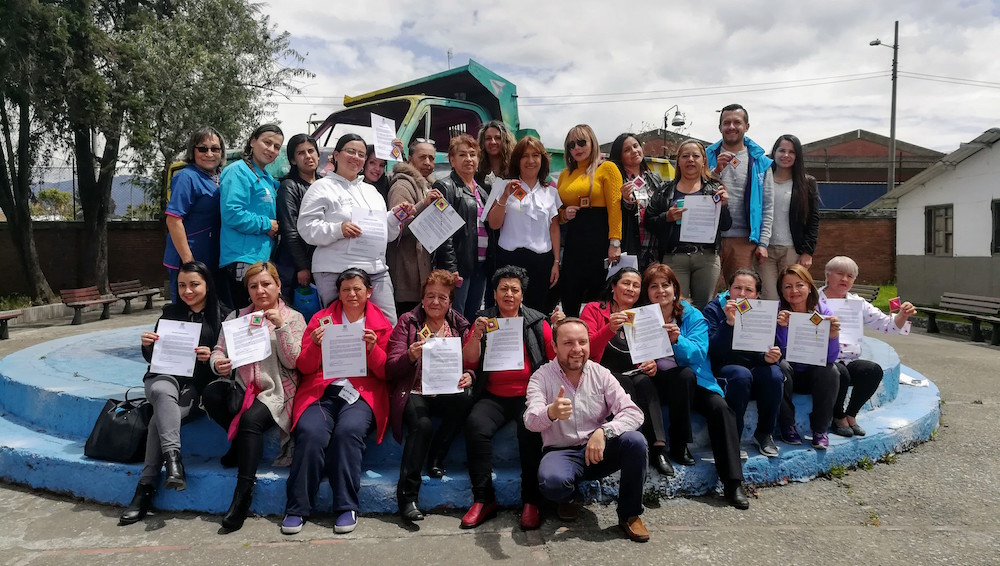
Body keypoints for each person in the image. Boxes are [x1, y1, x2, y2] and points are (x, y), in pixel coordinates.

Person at [281, 268, 393, 536]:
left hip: (362, 393)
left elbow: (386, 372)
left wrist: (373, 349)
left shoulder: (381, 323)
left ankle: (345, 506)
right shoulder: (321, 320)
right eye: (346, 290)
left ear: (369, 292)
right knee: (310, 432)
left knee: (348, 432)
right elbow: (305, 367)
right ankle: (297, 507)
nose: (352, 294)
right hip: (322, 392)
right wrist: (316, 346)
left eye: (357, 289)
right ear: (338, 293)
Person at [119, 261, 229, 526]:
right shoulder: (169, 314)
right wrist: (147, 346)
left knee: (160, 418)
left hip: (193, 389)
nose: (187, 291)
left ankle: (145, 488)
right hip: (165, 377)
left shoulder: (223, 317)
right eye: (181, 285)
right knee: (160, 388)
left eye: (194, 284)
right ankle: (174, 461)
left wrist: (211, 358)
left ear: (207, 285)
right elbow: (155, 358)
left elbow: (226, 363)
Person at [525, 318, 650, 542]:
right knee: (552, 482)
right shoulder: (541, 377)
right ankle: (568, 497)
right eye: (568, 343)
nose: (577, 349)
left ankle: (630, 515)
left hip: (599, 450)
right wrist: (551, 412)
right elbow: (530, 421)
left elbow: (634, 413)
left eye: (583, 342)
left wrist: (604, 431)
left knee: (636, 442)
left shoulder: (601, 373)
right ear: (554, 347)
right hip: (562, 452)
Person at [203, 261, 306, 531]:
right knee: (212, 394)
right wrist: (218, 364)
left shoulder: (294, 318)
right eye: (253, 286)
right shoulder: (236, 318)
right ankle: (239, 446)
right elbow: (218, 350)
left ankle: (243, 494)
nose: (260, 291)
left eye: (266, 284)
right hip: (242, 388)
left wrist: (281, 327)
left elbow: (295, 361)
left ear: (278, 285)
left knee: (251, 421)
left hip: (276, 391)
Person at [645, 263, 748, 509]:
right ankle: (673, 447)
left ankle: (733, 482)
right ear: (647, 292)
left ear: (675, 288)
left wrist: (677, 339)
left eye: (666, 285)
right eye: (654, 286)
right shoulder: (642, 315)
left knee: (720, 408)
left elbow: (698, 354)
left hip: (695, 380)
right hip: (654, 379)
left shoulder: (691, 315)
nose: (661, 291)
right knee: (678, 378)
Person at [460, 265, 555, 530]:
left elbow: (552, 357)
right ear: (494, 293)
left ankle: (531, 501)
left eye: (515, 290)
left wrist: (557, 328)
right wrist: (476, 335)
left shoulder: (537, 321)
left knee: (530, 431)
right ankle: (483, 499)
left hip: (528, 395)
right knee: (476, 425)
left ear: (522, 295)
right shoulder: (483, 320)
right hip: (494, 395)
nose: (509, 294)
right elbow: (468, 359)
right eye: (504, 289)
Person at [297, 133, 414, 325]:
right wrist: (338, 229)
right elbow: (306, 227)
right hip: (334, 270)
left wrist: (394, 218)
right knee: (340, 332)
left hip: (375, 271)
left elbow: (386, 235)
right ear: (336, 154)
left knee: (387, 326)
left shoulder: (372, 191)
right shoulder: (321, 187)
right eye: (351, 151)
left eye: (361, 154)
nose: (356, 158)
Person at [386, 270, 475, 521]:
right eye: (430, 296)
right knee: (422, 425)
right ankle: (408, 497)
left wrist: (469, 374)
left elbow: (471, 361)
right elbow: (390, 367)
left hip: (447, 389)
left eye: (442, 297)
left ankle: (437, 455)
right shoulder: (408, 321)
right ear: (422, 298)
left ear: (450, 301)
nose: (435, 302)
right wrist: (409, 356)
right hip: (415, 390)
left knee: (468, 397)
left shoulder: (459, 324)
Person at [579, 268, 673, 476]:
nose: (631, 289)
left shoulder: (644, 314)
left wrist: (652, 362)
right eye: (626, 283)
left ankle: (658, 449)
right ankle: (632, 447)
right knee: (626, 384)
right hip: (601, 374)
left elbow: (652, 349)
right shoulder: (594, 310)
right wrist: (608, 329)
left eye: (636, 285)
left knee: (645, 383)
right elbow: (586, 350)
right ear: (613, 287)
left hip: (633, 372)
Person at [820, 256, 916, 437]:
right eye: (840, 274)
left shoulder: (858, 304)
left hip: (849, 359)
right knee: (839, 371)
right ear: (827, 275)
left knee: (872, 370)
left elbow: (889, 325)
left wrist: (902, 314)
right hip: (823, 362)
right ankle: (838, 416)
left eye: (850, 276)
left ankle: (851, 414)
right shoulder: (814, 300)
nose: (844, 279)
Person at [703, 269, 784, 458]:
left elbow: (768, 347)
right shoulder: (714, 309)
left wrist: (768, 356)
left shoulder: (762, 311)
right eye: (737, 288)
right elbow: (713, 352)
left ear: (756, 294)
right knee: (741, 375)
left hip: (752, 366)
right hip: (723, 368)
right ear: (728, 289)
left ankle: (764, 433)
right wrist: (728, 323)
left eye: (748, 290)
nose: (741, 294)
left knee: (774, 374)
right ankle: (733, 439)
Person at [644, 140, 731, 308]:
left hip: (706, 258)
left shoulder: (715, 188)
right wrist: (666, 217)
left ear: (704, 160)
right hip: (675, 257)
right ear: (678, 161)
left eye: (695, 156)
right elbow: (649, 221)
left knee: (704, 307)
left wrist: (725, 206)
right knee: (676, 306)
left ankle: (699, 335)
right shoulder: (665, 189)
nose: (690, 159)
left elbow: (726, 225)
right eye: (685, 156)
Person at [485, 136, 562, 312]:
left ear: (542, 160)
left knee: (538, 313)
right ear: (517, 160)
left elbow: (554, 228)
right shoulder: (504, 186)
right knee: (508, 312)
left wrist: (556, 262)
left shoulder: (551, 192)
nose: (530, 161)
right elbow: (494, 224)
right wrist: (504, 196)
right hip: (509, 260)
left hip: (541, 261)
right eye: (525, 156)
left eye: (535, 155)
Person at [556, 124, 623, 317]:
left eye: (581, 142)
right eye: (571, 145)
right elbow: (556, 211)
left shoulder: (607, 168)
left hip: (600, 241)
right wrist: (564, 214)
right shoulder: (564, 175)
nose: (576, 148)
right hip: (573, 242)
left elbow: (615, 209)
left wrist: (615, 242)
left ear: (592, 143)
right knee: (569, 296)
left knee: (599, 301)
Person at [704, 104, 775, 283]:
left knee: (740, 296)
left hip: (744, 240)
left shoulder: (760, 161)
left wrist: (763, 243)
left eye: (737, 122)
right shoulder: (705, 156)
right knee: (705, 296)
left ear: (747, 126)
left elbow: (767, 205)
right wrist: (715, 172)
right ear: (720, 127)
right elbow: (695, 191)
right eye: (726, 123)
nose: (732, 127)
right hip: (708, 238)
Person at [774, 264, 841, 450]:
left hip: (813, 373)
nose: (794, 291)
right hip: (790, 373)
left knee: (831, 370)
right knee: (781, 367)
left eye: (799, 285)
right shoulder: (778, 312)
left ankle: (820, 430)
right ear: (781, 290)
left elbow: (831, 357)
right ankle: (787, 425)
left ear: (809, 286)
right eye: (787, 286)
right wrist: (782, 328)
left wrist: (833, 336)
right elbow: (780, 353)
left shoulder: (823, 312)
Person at [220, 124, 284, 309]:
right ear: (253, 142)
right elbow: (232, 213)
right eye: (267, 142)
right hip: (243, 258)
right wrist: (267, 225)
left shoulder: (265, 177)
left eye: (277, 147)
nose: (271, 149)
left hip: (260, 257)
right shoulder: (238, 171)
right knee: (246, 320)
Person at [163, 127, 228, 305]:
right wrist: (188, 262)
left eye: (215, 149)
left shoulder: (220, 179)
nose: (209, 154)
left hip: (212, 257)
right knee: (187, 314)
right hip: (189, 259)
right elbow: (173, 220)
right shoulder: (186, 177)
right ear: (193, 151)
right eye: (202, 148)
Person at [386, 139, 445, 315]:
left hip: (424, 272)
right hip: (407, 276)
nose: (428, 162)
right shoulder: (402, 184)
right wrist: (423, 204)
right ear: (410, 159)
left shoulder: (429, 185)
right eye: (422, 157)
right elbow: (397, 227)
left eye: (431, 158)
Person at [434, 134, 489, 320]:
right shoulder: (445, 186)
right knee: (455, 317)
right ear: (451, 159)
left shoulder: (482, 191)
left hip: (480, 266)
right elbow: (442, 231)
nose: (468, 159)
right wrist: (450, 267)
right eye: (462, 155)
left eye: (473, 155)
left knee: (472, 317)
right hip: (460, 267)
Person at [759, 135, 820, 300]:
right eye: (782, 150)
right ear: (774, 152)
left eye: (791, 152)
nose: (786, 155)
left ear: (797, 156)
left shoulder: (807, 183)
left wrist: (808, 252)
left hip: (793, 250)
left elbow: (813, 221)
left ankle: (788, 327)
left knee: (792, 297)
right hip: (765, 251)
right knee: (770, 298)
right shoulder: (762, 179)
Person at [608, 133, 668, 271]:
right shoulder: (616, 179)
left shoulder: (654, 179)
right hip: (629, 246)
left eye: (636, 146)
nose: (634, 151)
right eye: (627, 150)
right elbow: (614, 213)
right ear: (620, 156)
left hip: (654, 246)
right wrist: (626, 201)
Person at [275, 134, 322, 304]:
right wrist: (302, 266)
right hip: (295, 265)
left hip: (322, 261)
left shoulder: (326, 184)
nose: (308, 156)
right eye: (301, 153)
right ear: (293, 160)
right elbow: (290, 229)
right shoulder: (289, 187)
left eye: (311, 151)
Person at [475, 120, 516, 308]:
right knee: (489, 289)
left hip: (509, 233)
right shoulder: (477, 172)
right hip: (484, 236)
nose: (493, 142)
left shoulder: (515, 170)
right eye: (488, 138)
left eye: (497, 138)